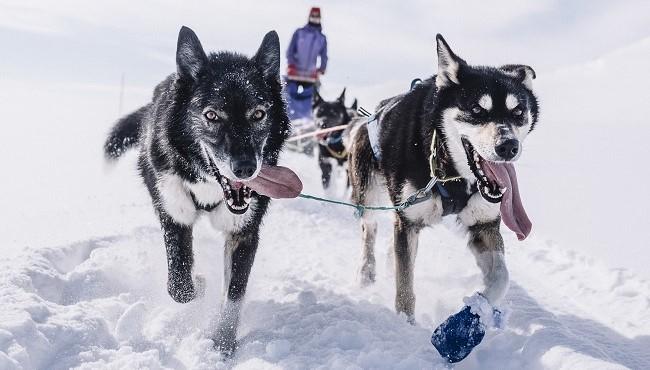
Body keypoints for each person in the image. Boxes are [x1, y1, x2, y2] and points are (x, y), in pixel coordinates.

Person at [286, 7, 328, 84]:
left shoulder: (322, 38)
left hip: (311, 75)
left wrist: (322, 68)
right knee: (290, 94)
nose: (314, 18)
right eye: (313, 16)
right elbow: (290, 50)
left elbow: (324, 56)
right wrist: (291, 64)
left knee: (309, 95)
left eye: (317, 16)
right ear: (309, 16)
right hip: (295, 72)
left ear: (320, 18)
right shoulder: (299, 33)